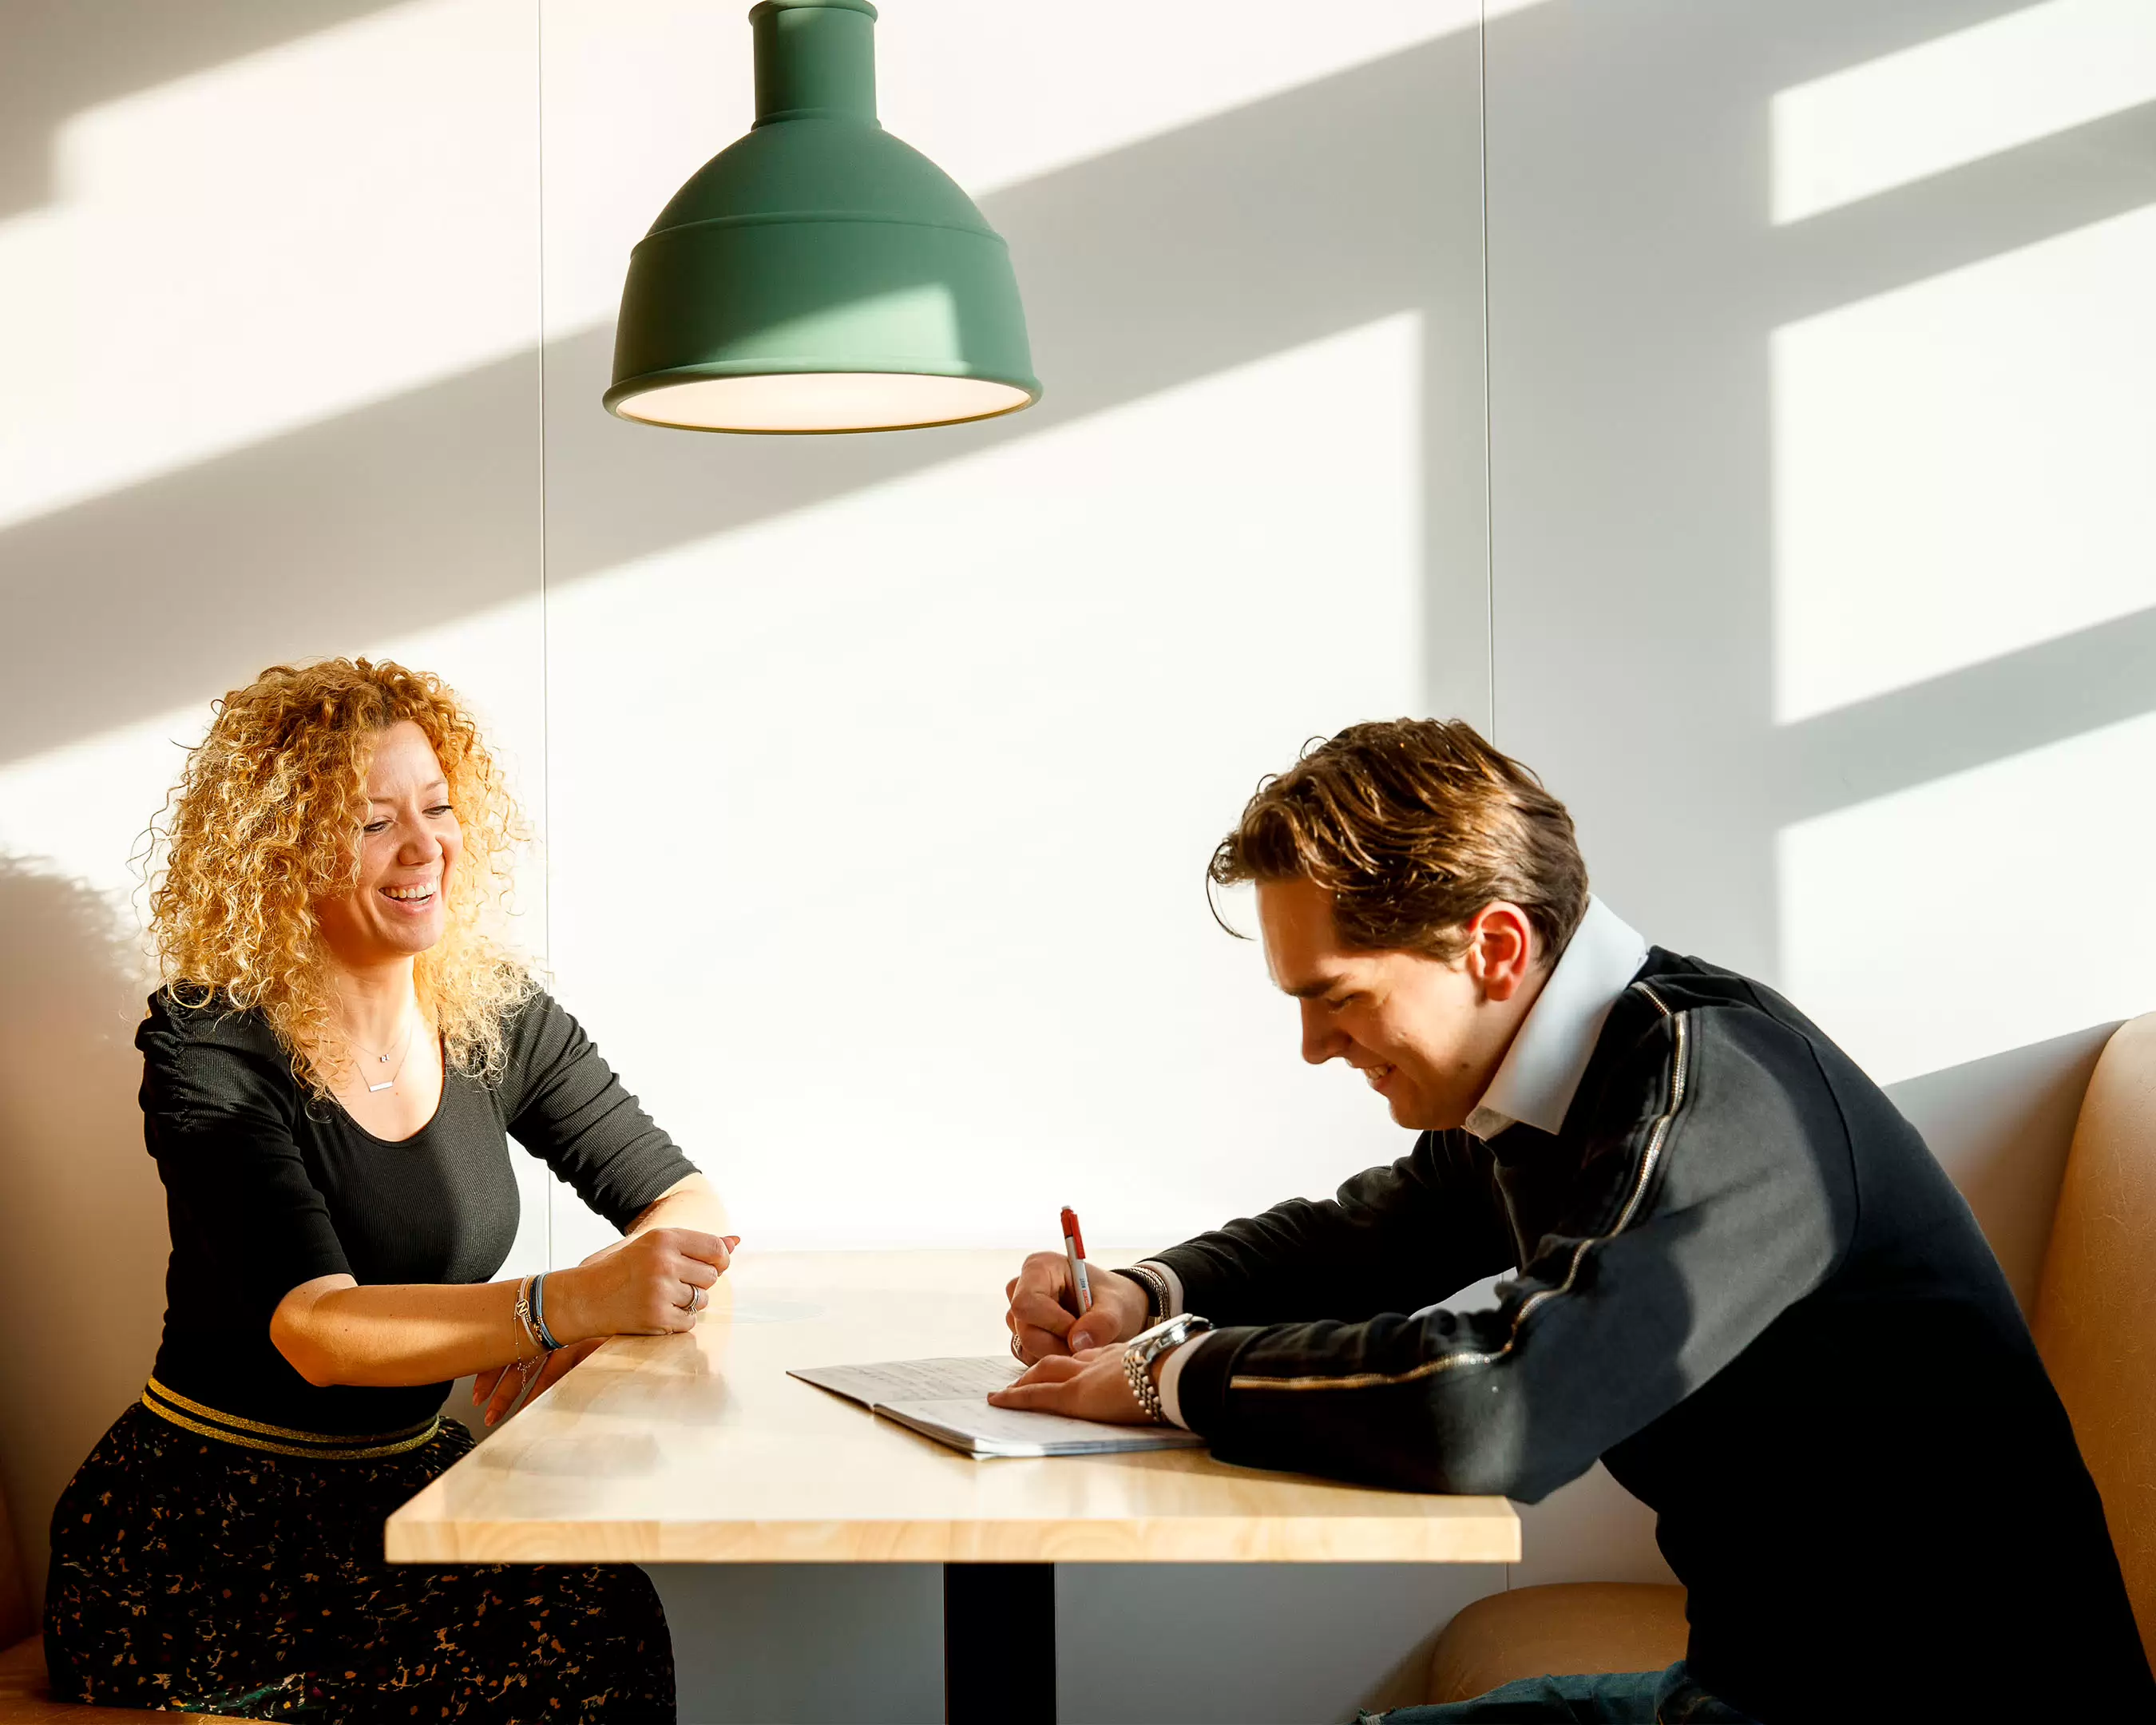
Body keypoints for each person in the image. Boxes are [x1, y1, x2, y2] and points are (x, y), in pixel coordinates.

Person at [992, 717, 2154, 1723]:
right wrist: (1149, 1294)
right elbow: (1381, 1230)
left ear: (1495, 948)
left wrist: (1167, 1377)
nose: (1314, 1046)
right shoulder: (1560, 1085)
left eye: (1338, 996)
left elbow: (1499, 1407)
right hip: (1750, 1692)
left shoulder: (1722, 1093)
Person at [44, 658, 728, 1722]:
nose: (424, 847)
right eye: (372, 823)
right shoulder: (208, 1043)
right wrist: (558, 1308)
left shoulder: (497, 1017)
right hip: (209, 1541)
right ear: (280, 853)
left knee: (606, 1608)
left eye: (438, 808)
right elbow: (317, 1330)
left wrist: (607, 1297)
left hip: (404, 1486)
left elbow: (687, 1204)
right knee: (585, 1636)